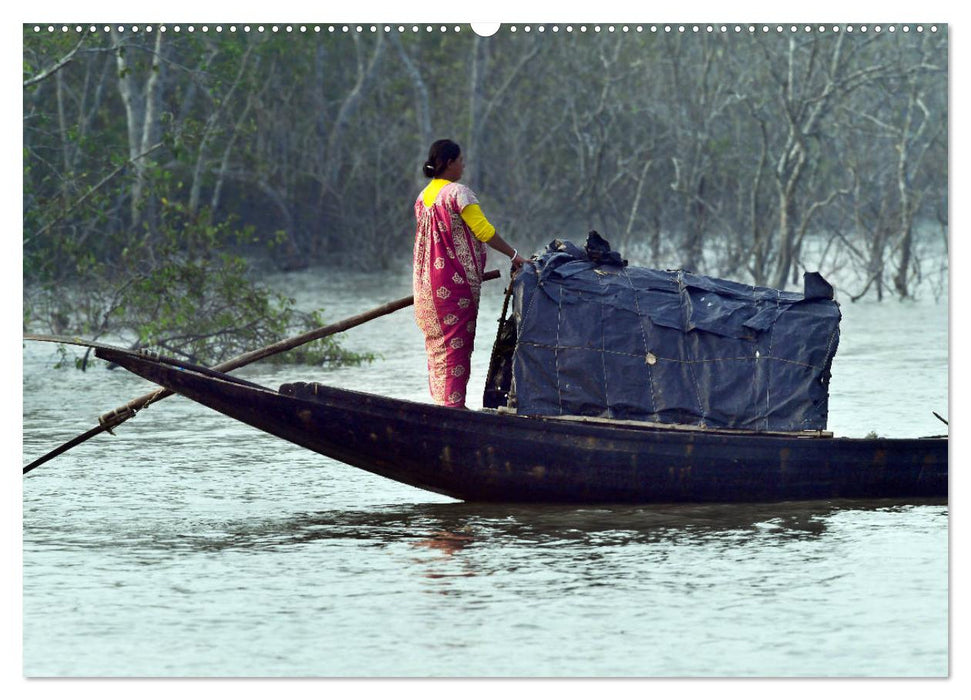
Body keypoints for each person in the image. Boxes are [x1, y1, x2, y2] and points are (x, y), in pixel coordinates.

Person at [413, 139, 527, 409]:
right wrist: (514, 256)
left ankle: (442, 404)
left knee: (437, 350)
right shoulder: (457, 193)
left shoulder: (423, 197)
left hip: (425, 285)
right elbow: (484, 231)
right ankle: (453, 409)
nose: (463, 165)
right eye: (460, 160)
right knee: (456, 347)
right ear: (449, 163)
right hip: (453, 285)